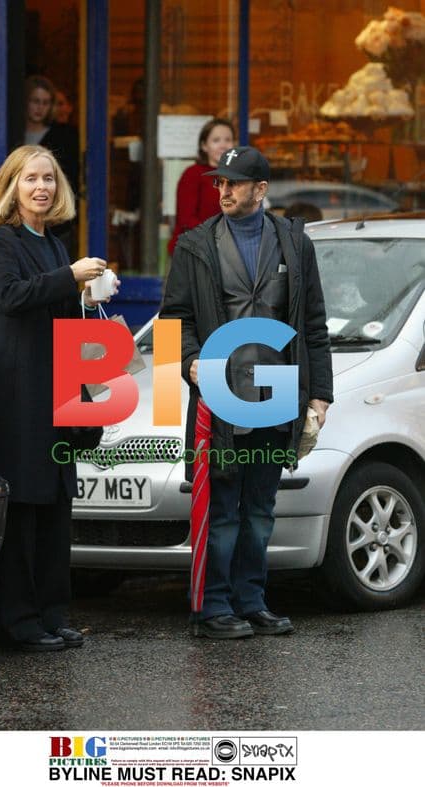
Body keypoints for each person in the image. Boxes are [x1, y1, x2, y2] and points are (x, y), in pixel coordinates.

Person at [160, 146, 333, 640]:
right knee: (222, 508)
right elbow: (173, 320)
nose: (223, 190)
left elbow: (314, 324)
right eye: (219, 183)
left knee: (260, 509)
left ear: (261, 190)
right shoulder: (195, 246)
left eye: (234, 183)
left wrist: (320, 394)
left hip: (277, 393)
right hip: (219, 393)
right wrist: (190, 361)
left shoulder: (295, 244)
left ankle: (251, 601)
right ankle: (213, 606)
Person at [0, 145, 112, 653]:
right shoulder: (1, 244)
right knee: (24, 505)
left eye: (49, 178)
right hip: (18, 392)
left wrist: (86, 301)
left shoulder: (55, 245)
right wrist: (68, 279)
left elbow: (62, 316)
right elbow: (11, 297)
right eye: (31, 179)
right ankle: (18, 624)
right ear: (13, 186)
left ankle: (52, 615)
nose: (42, 187)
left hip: (58, 390)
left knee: (56, 504)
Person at [24, 75, 79, 257]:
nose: (40, 108)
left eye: (46, 103)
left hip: (55, 223)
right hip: (21, 220)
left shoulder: (64, 135)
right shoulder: (12, 132)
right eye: (35, 101)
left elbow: (70, 179)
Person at [168, 118, 235, 255]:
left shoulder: (237, 176)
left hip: (226, 253)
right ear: (204, 146)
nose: (223, 145)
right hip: (192, 252)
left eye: (228, 140)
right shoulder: (193, 174)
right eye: (216, 140)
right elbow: (187, 219)